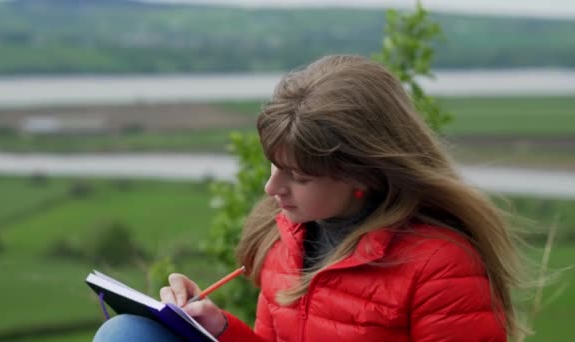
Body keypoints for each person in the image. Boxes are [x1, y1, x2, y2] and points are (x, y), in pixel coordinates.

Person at [94, 55, 524, 341]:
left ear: (362, 174)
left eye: (297, 176)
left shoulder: (440, 265)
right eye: (273, 166)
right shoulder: (286, 239)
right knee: (127, 333)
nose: (271, 188)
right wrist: (219, 327)